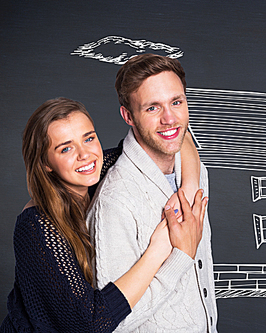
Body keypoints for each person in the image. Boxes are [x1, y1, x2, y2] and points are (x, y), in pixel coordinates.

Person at [0, 97, 206, 332]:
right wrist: (160, 251)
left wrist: (187, 191)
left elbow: (178, 138)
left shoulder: (100, 171)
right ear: (46, 163)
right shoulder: (37, 228)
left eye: (88, 138)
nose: (84, 154)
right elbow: (90, 324)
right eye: (66, 148)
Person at [87, 54, 218, 332]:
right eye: (152, 108)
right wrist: (180, 256)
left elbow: (182, 134)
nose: (169, 118)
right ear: (128, 116)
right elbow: (113, 323)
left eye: (176, 102)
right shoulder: (116, 200)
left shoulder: (194, 171)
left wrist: (190, 184)